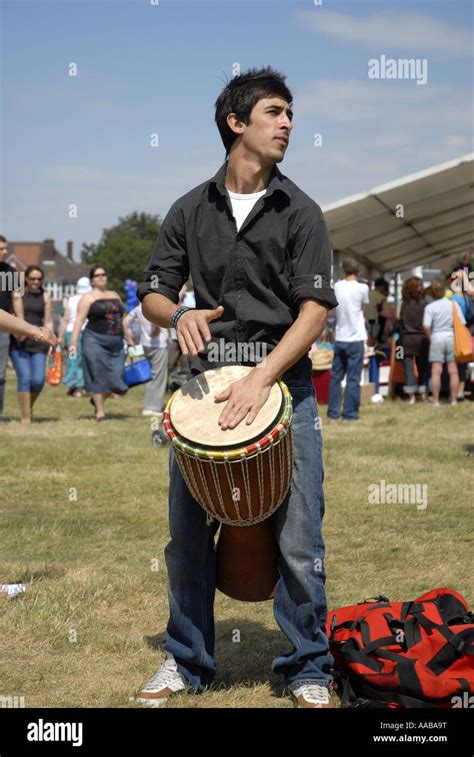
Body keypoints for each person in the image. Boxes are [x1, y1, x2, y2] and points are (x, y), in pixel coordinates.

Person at [134, 66, 338, 709]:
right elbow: (155, 294)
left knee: (299, 541)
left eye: (290, 115)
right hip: (199, 391)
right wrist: (179, 314)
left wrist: (262, 376)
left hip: (286, 390)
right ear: (236, 123)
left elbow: (314, 311)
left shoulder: (301, 211)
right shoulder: (189, 208)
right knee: (186, 536)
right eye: (275, 113)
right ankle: (187, 660)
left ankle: (309, 664)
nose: (288, 125)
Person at [69, 265, 134, 421]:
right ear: (92, 280)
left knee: (117, 376)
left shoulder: (115, 295)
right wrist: (73, 343)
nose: (101, 277)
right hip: (94, 340)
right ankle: (100, 412)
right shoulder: (87, 298)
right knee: (99, 374)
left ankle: (97, 399)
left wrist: (129, 338)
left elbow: (122, 320)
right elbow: (79, 321)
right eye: (97, 275)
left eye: (104, 274)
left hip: (116, 341)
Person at [9, 266, 54, 423]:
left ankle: (28, 407)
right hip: (20, 340)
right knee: (25, 377)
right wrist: (20, 332)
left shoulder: (45, 296)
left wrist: (51, 338)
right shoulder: (18, 293)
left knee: (38, 380)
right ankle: (26, 416)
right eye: (32, 279)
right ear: (26, 279)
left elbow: (48, 320)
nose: (36, 282)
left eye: (39, 279)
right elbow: (18, 316)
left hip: (39, 341)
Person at [327, 258, 369, 421]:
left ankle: (332, 412)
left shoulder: (337, 286)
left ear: (343, 270)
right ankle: (350, 414)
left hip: (340, 336)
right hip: (356, 337)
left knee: (336, 377)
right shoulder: (363, 288)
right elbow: (363, 311)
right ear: (357, 270)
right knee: (353, 377)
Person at [423, 280, 465, 406]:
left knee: (436, 371)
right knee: (453, 370)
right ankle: (453, 399)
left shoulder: (430, 307)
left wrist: (430, 337)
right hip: (451, 338)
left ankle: (435, 400)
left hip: (436, 338)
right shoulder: (453, 305)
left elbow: (426, 326)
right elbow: (462, 323)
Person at [126, 303, 169, 417]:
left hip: (144, 344)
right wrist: (155, 331)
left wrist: (129, 340)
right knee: (159, 376)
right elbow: (157, 324)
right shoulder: (155, 306)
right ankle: (154, 407)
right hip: (159, 344)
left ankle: (148, 406)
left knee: (149, 376)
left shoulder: (137, 308)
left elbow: (125, 322)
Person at [58, 276, 92, 397]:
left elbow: (65, 319)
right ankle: (79, 386)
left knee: (72, 358)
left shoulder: (71, 300)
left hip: (70, 334)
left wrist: (60, 336)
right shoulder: (90, 299)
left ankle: (72, 384)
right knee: (82, 360)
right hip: (85, 333)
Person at [0, 234, 23, 417]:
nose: (5, 252)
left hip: (3, 328)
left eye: (5, 248)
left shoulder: (9, 271)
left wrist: (21, 326)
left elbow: (16, 298)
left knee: (0, 372)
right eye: (1, 249)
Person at [399, 277, 429, 404]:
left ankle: (411, 397)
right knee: (423, 368)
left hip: (406, 339)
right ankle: (422, 394)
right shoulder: (425, 303)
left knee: (408, 367)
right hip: (422, 339)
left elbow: (400, 322)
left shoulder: (404, 304)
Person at [447, 269, 473, 402]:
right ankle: (460, 392)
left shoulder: (452, 299)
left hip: (453, 334)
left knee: (453, 365)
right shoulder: (467, 300)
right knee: (462, 364)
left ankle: (453, 393)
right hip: (465, 333)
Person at [367, 277, 388, 345]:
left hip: (367, 320)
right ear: (381, 286)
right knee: (376, 341)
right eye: (384, 287)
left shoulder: (368, 294)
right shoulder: (382, 297)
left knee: (369, 339)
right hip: (378, 321)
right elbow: (386, 311)